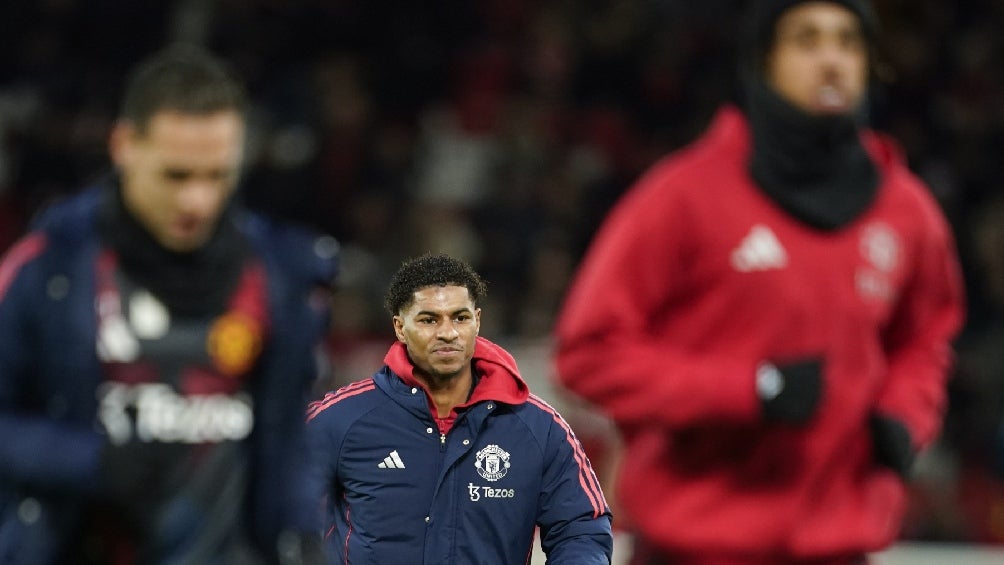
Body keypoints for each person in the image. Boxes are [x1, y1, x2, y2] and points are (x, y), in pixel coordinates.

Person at [552, 1, 966, 564]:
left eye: (848, 42)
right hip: (693, 549)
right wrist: (747, 390)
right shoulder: (684, 195)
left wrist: (904, 413)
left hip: (836, 549)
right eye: (807, 40)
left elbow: (927, 338)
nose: (832, 60)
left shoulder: (905, 209)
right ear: (763, 62)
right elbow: (588, 351)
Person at [0, 44, 337, 564]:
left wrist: (303, 540)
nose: (197, 201)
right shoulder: (50, 268)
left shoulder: (279, 271)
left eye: (217, 175)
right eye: (176, 175)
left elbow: (287, 441)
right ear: (124, 146)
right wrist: (91, 461)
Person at [303, 253, 613, 564]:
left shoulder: (538, 428)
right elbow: (286, 507)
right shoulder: (338, 419)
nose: (447, 333)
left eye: (460, 318)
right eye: (429, 320)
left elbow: (581, 529)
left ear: (477, 321)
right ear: (400, 327)